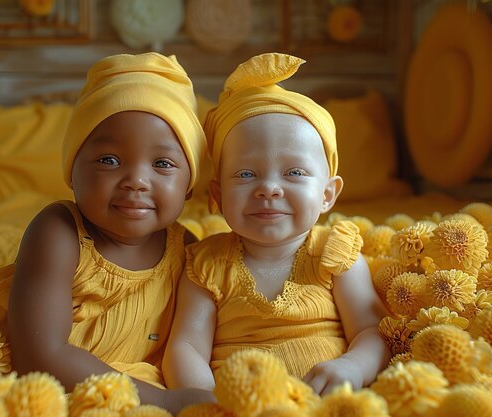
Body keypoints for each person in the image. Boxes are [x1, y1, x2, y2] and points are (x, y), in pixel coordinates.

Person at [0, 52, 213, 412]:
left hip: (126, 387)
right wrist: (165, 401)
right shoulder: (59, 232)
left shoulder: (188, 251)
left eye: (162, 164)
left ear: (188, 187)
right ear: (72, 172)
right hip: (43, 383)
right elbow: (40, 355)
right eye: (109, 160)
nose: (136, 181)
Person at [162, 53, 391, 396]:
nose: (269, 188)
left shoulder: (335, 252)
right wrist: (205, 400)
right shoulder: (206, 264)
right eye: (246, 174)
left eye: (294, 173)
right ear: (219, 195)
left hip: (325, 401)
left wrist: (353, 365)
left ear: (328, 194)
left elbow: (372, 330)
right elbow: (186, 348)